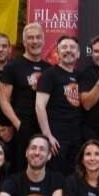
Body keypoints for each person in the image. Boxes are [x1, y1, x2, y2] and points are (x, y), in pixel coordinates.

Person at [0, 23, 51, 173]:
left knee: (42, 168)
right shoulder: (12, 67)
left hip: (43, 126)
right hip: (22, 125)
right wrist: (18, 124)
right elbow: (4, 100)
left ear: (43, 40)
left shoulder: (49, 69)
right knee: (20, 169)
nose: (34, 41)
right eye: (30, 38)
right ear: (24, 42)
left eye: (38, 37)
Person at [36, 36, 82, 175]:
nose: (68, 51)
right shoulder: (49, 75)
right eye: (64, 47)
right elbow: (39, 106)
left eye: (72, 47)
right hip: (56, 138)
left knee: (73, 177)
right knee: (56, 177)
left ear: (78, 53)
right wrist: (47, 135)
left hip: (76, 137)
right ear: (58, 52)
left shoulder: (80, 76)